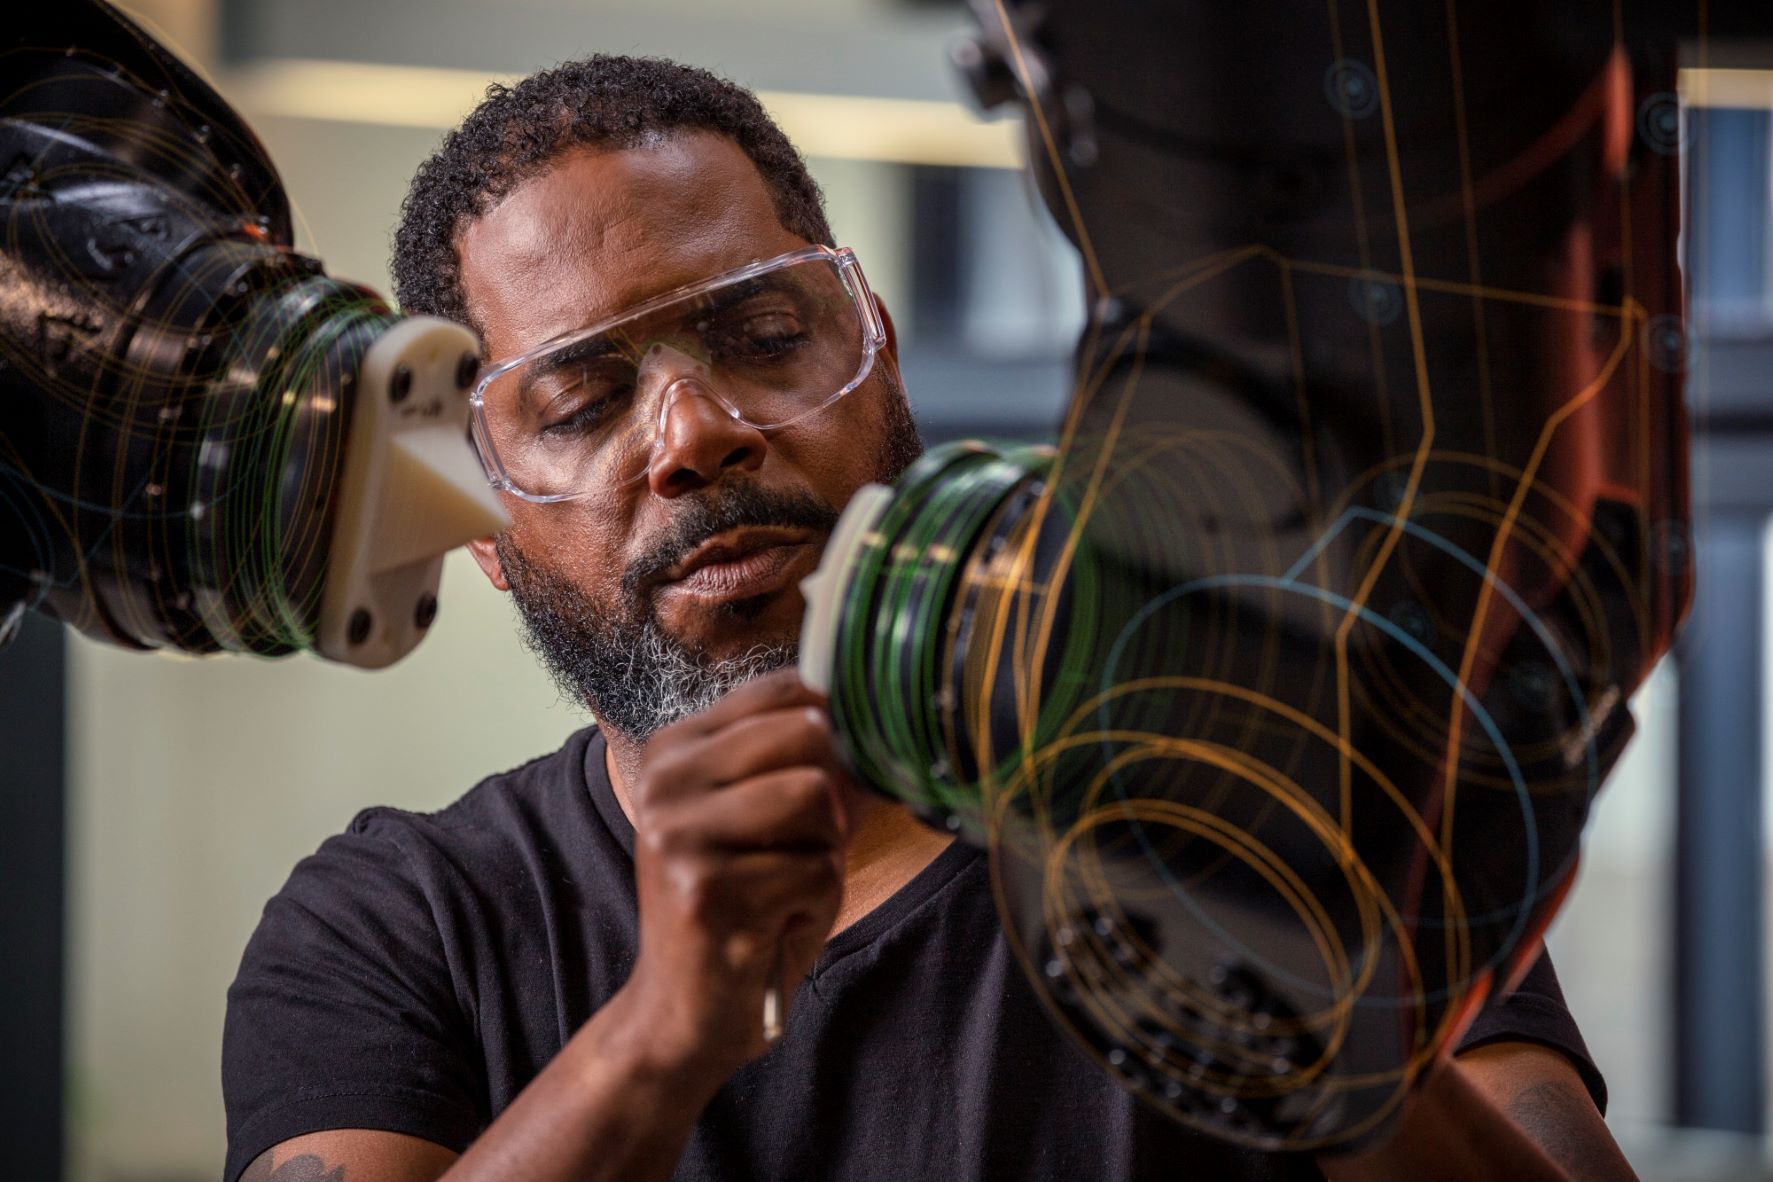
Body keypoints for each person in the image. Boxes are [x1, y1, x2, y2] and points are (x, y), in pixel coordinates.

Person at [224, 56, 1637, 1182]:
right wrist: (659, 1038)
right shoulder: (397, 923)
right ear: (482, 516)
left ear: (877, 350)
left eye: (764, 336)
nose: (694, 436)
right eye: (583, 402)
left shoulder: (1251, 784)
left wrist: (1313, 1016)